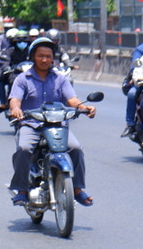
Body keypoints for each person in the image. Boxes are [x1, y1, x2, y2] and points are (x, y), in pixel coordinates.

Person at [6, 37, 96, 207]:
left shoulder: (60, 79)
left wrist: (84, 108)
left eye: (48, 56)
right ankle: (22, 190)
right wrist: (16, 109)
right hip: (31, 124)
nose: (45, 59)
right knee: (24, 149)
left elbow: (72, 100)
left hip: (56, 126)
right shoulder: (22, 79)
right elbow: (15, 100)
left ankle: (77, 189)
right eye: (41, 56)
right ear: (33, 56)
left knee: (76, 149)